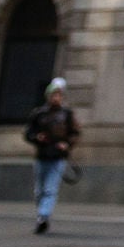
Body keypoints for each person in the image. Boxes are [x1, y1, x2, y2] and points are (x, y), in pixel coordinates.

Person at [22, 78, 80, 235]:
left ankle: (43, 216)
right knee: (39, 190)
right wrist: (37, 138)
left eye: (59, 95)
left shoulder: (67, 115)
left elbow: (74, 133)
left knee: (50, 189)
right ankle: (42, 213)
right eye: (54, 94)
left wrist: (67, 144)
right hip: (42, 155)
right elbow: (28, 133)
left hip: (58, 157)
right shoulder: (39, 114)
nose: (56, 98)